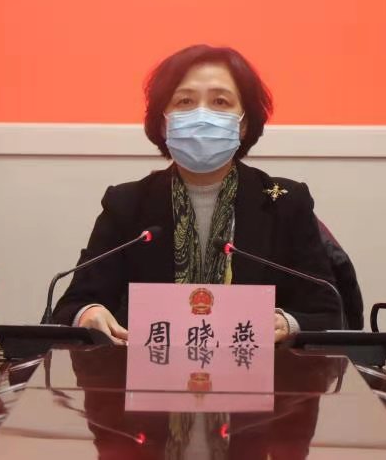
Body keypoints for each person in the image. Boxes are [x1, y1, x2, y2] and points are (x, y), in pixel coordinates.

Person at [52, 44, 341, 343]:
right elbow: (72, 306)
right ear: (163, 123)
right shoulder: (127, 205)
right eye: (185, 101)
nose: (202, 115)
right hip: (150, 368)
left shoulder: (285, 203)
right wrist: (88, 313)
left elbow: (329, 312)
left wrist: (287, 323)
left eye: (220, 101)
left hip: (262, 368)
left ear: (244, 124)